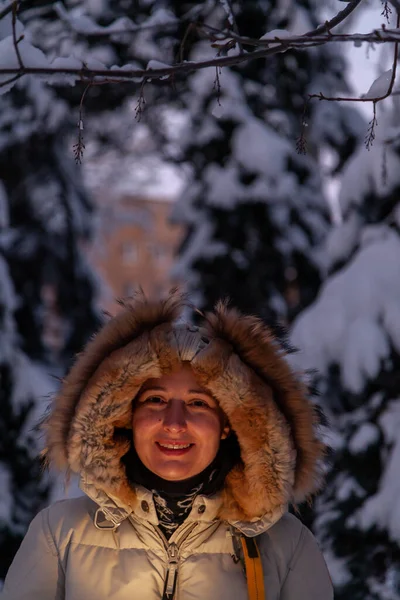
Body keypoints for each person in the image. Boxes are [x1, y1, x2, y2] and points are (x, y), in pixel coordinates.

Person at [2, 291, 333, 599]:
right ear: (127, 414)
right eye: (156, 400)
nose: (174, 423)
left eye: (199, 404)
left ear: (229, 424)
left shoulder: (288, 547)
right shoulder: (60, 535)